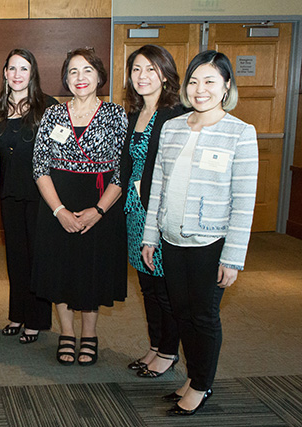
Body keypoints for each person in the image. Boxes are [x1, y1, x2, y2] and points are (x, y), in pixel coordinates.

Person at [142, 50, 258, 415]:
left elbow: (244, 201)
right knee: (181, 311)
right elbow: (157, 184)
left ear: (226, 87)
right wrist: (149, 235)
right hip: (172, 237)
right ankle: (193, 377)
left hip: (212, 241)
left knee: (203, 315)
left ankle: (202, 385)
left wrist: (233, 257)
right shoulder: (173, 126)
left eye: (210, 81)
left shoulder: (240, 133)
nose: (200, 89)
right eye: (194, 81)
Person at [32, 48, 127, 366]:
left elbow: (121, 171)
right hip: (57, 205)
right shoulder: (53, 114)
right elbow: (39, 167)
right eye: (73, 72)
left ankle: (89, 335)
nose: (80, 78)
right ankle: (67, 334)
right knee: (59, 271)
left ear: (99, 76)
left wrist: (98, 211)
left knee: (90, 272)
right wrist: (58, 210)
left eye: (87, 70)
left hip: (99, 205)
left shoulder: (115, 114)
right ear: (65, 79)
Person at [120, 45, 185, 378]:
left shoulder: (176, 114)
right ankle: (155, 346)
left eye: (150, 69)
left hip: (159, 213)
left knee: (163, 287)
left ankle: (169, 352)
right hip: (135, 211)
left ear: (165, 73)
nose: (142, 76)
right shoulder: (135, 113)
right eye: (136, 70)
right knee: (146, 284)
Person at [0, 48, 57, 344]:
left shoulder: (48, 107)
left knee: (38, 257)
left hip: (41, 195)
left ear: (33, 74)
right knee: (15, 257)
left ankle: (37, 319)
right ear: (5, 73)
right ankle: (17, 314)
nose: (17, 75)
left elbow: (61, 154)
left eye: (24, 69)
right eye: (12, 69)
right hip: (9, 194)